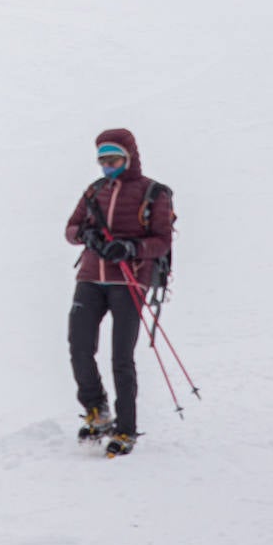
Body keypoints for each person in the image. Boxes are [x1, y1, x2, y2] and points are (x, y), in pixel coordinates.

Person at [64, 128, 175, 457]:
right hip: (90, 277)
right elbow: (70, 229)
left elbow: (162, 240)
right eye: (102, 160)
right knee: (79, 346)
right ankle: (97, 409)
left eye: (113, 159)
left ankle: (126, 428)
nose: (107, 166)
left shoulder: (154, 192)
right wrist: (86, 234)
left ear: (129, 156)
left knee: (121, 358)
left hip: (129, 281)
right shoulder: (94, 191)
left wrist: (130, 248)